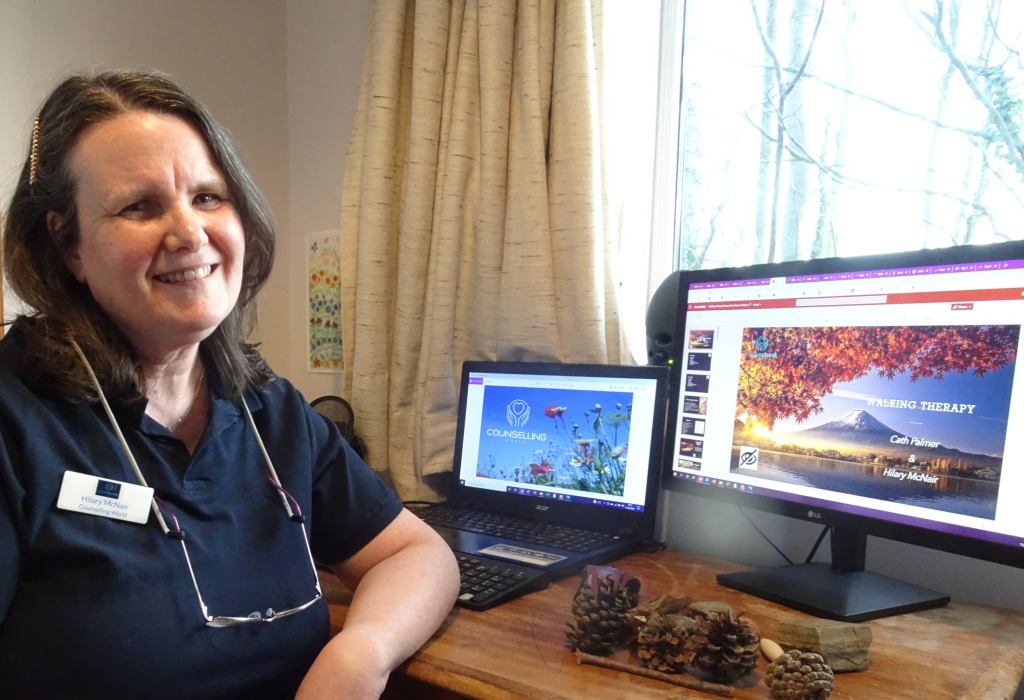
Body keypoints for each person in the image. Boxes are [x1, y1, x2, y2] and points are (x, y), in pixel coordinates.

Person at [0, 70, 459, 699]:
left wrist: (360, 654)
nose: (190, 233)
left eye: (208, 197)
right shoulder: (16, 421)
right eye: (139, 206)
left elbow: (415, 554)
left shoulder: (268, 410)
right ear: (68, 246)